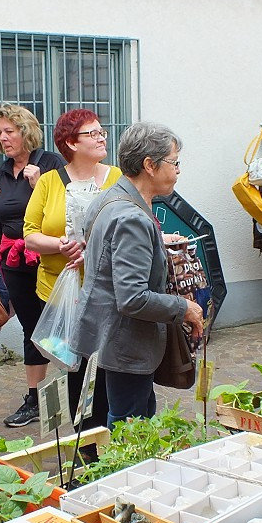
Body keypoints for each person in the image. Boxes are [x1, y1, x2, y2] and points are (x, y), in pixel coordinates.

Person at [72, 122, 204, 425]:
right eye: (174, 162)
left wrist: (158, 241)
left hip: (105, 336)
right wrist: (184, 307)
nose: (178, 170)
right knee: (129, 428)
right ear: (149, 165)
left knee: (117, 417)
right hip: (126, 344)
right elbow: (132, 298)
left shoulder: (111, 198)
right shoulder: (132, 218)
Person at [24, 109, 120, 430]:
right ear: (71, 143)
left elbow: (127, 228)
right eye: (92, 133)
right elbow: (30, 233)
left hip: (106, 292)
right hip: (58, 292)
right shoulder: (50, 182)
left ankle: (110, 433)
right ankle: (84, 440)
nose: (102, 137)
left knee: (107, 368)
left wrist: (93, 251)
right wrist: (60, 245)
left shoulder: (117, 178)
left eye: (101, 131)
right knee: (75, 369)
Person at [0, 103, 63, 428]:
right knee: (32, 331)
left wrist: (39, 184)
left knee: (60, 328)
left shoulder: (51, 164)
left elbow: (64, 211)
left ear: (25, 131)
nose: (4, 138)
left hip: (49, 259)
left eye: (10, 131)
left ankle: (71, 390)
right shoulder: (1, 172)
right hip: (14, 263)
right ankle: (35, 400)